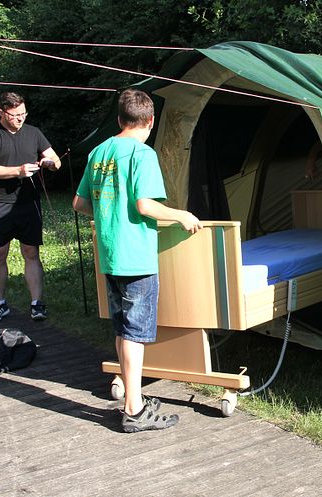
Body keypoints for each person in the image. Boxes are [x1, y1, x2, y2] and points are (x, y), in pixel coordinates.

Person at [73, 89, 202, 433]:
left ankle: (134, 396)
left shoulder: (99, 151)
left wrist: (108, 214)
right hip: (136, 258)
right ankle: (134, 408)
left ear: (119, 119)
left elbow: (79, 203)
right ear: (150, 121)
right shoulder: (143, 154)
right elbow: (145, 206)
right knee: (135, 332)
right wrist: (181, 215)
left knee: (122, 328)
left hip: (111, 253)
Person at [0, 92, 61, 323]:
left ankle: (37, 303)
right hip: (0, 203)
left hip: (28, 202)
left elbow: (56, 159)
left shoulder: (34, 132)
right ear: (2, 112)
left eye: (23, 114)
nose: (20, 119)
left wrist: (50, 163)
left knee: (31, 252)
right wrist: (18, 171)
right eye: (15, 115)